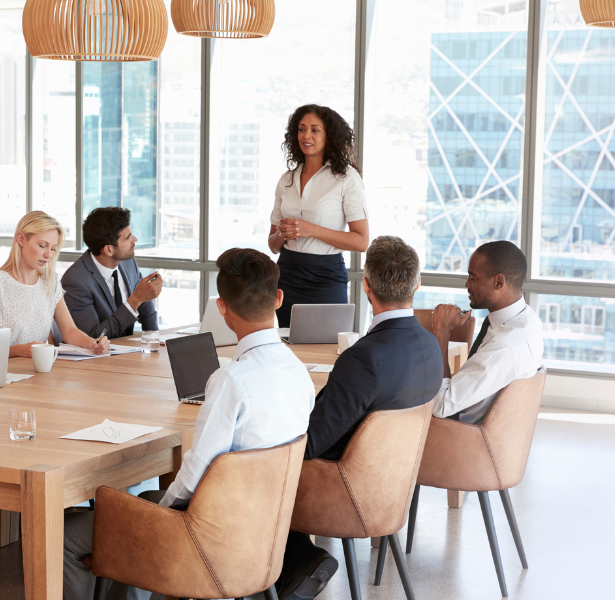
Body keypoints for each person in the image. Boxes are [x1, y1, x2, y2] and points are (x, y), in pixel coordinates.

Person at [62, 248, 316, 600]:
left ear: (222, 307)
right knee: (143, 501)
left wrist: (158, 516)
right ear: (278, 298)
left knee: (68, 533)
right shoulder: (298, 372)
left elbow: (197, 470)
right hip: (265, 529)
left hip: (210, 537)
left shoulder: (231, 380)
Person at [278, 236, 443, 600]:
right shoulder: (432, 346)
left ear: (365, 286)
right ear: (417, 284)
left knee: (257, 465)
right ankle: (298, 561)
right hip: (391, 489)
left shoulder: (364, 358)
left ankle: (292, 565)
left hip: (342, 490)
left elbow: (311, 444)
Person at [268, 104, 370, 328]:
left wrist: (310, 229)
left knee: (326, 349)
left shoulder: (346, 178)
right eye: (302, 129)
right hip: (287, 275)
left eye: (315, 130)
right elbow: (273, 245)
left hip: (326, 277)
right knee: (289, 345)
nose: (307, 135)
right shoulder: (286, 179)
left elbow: (361, 241)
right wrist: (283, 233)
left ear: (329, 136)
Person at [430, 241, 543, 424]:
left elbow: (440, 406)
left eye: (473, 278)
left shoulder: (503, 347)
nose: (467, 284)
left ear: (499, 282)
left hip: (458, 433)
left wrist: (441, 332)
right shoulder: (528, 318)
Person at [0, 211, 110, 357]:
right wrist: (18, 350)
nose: (48, 255)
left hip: (41, 372)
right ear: (21, 239)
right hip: (4, 375)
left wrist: (93, 344)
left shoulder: (51, 282)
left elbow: (69, 331)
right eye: (42, 245)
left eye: (52, 248)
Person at [61, 207, 162, 339]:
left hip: (130, 353)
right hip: (97, 357)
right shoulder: (75, 281)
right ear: (108, 250)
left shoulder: (127, 262)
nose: (135, 239)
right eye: (128, 237)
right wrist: (135, 300)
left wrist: (155, 342)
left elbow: (145, 307)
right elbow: (93, 337)